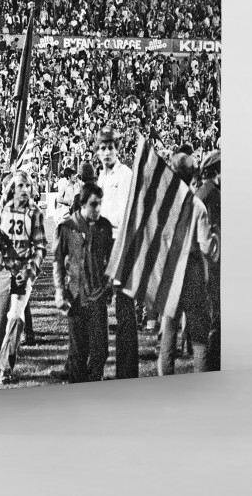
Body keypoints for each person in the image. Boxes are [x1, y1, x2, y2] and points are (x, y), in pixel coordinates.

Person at [157, 153, 220, 375]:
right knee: (200, 336)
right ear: (193, 175)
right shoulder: (197, 205)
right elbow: (205, 246)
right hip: (192, 269)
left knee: (169, 332)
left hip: (171, 267)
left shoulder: (164, 205)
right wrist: (216, 243)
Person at [0, 170, 48, 384]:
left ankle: (6, 366)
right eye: (20, 186)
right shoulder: (3, 208)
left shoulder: (34, 213)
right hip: (3, 269)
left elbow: (40, 247)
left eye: (27, 186)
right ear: (12, 188)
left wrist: (29, 271)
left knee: (15, 316)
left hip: (23, 271)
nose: (24, 190)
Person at [53, 182, 113, 383]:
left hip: (97, 294)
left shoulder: (104, 226)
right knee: (78, 351)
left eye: (100, 204)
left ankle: (96, 379)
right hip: (75, 295)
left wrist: (108, 284)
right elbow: (58, 262)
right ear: (83, 205)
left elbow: (110, 259)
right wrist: (60, 291)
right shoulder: (68, 227)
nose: (97, 209)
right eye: (93, 205)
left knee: (100, 350)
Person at [94, 126, 138, 379]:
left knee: (124, 307)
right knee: (98, 305)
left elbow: (126, 215)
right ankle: (97, 365)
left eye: (110, 147)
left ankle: (127, 369)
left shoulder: (125, 174)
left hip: (120, 243)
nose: (106, 152)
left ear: (117, 150)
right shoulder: (101, 177)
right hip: (101, 244)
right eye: (102, 148)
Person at [198, 150, 221, 371]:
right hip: (214, 265)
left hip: (204, 266)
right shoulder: (213, 195)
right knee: (217, 320)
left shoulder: (201, 193)